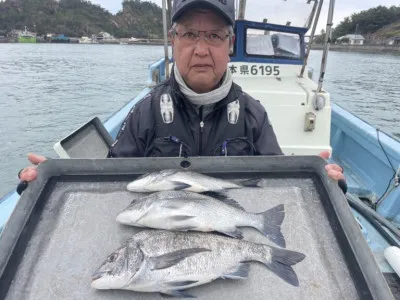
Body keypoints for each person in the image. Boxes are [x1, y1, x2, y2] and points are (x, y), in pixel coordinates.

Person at [18, 0, 346, 192]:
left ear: (229, 45)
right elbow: (110, 184)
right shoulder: (145, 112)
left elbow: (281, 184)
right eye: (189, 34)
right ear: (173, 40)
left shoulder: (253, 115)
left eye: (214, 36)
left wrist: (319, 183)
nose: (201, 49)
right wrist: (57, 182)